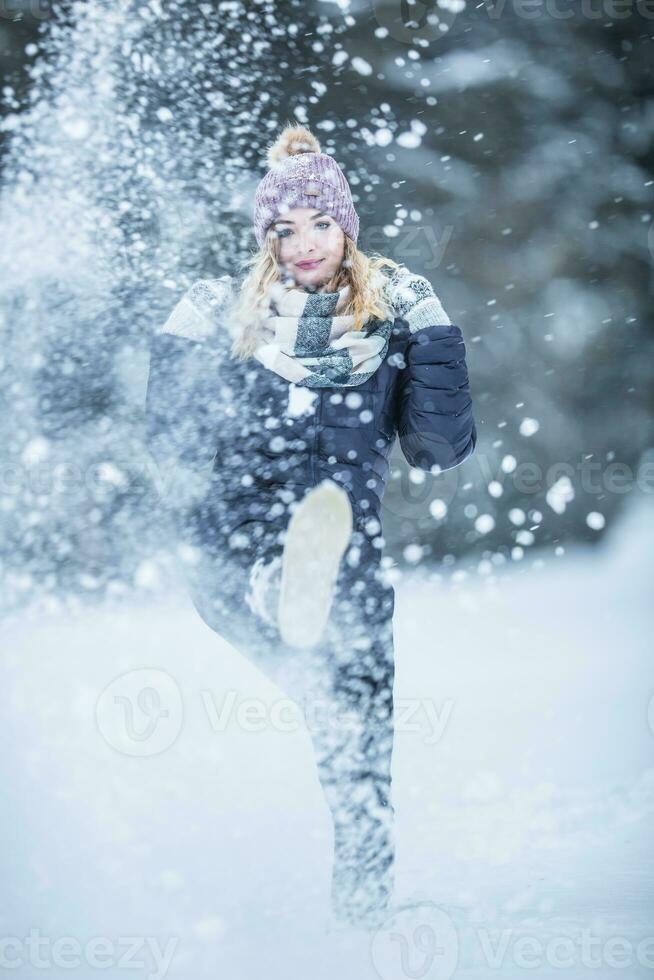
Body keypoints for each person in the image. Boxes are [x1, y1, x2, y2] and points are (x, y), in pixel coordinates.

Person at [144, 123, 477, 929]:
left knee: (361, 739)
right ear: (264, 239)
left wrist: (430, 330)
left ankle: (363, 913)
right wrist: (181, 342)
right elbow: (174, 439)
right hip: (235, 538)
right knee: (255, 588)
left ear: (348, 227)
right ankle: (280, 580)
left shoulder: (387, 326)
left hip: (350, 553)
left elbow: (437, 447)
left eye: (320, 224)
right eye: (284, 229)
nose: (303, 244)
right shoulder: (230, 314)